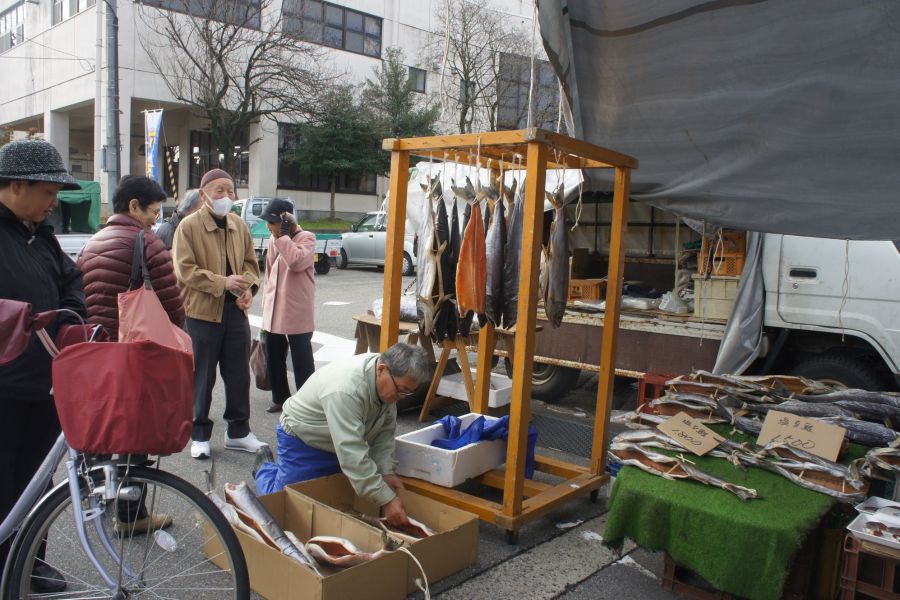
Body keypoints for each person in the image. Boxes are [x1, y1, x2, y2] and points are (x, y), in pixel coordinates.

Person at [0, 139, 86, 594]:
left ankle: (31, 561)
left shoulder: (44, 237)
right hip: (4, 384)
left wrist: (69, 316)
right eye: (49, 191)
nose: (55, 201)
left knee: (37, 479)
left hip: (46, 380)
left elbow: (74, 281)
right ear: (16, 185)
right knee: (3, 478)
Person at [77, 175, 185, 536]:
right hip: (135, 354)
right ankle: (131, 515)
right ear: (134, 206)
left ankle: (101, 500)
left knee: (105, 428)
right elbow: (172, 304)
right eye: (153, 211)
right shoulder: (145, 241)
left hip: (97, 351)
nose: (156, 218)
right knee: (136, 435)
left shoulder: (91, 243)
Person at [254, 343, 431, 527]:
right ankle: (264, 469)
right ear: (381, 369)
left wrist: (385, 471)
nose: (402, 397)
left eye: (408, 392)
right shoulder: (347, 389)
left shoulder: (388, 379)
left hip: (338, 440)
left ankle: (276, 470)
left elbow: (384, 435)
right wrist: (387, 500)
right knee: (285, 505)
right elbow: (352, 455)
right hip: (303, 437)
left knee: (332, 502)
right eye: (401, 390)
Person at [172, 168, 266, 460]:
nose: (227, 196)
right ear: (204, 195)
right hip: (200, 313)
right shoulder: (188, 227)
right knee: (201, 377)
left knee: (239, 374)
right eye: (219, 191)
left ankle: (238, 432)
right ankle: (199, 434)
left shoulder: (239, 225)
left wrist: (249, 288)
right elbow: (185, 270)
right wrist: (221, 282)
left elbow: (252, 265)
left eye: (230, 191)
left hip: (235, 312)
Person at [78, 175, 185, 339]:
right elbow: (172, 308)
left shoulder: (88, 246)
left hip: (97, 344)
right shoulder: (149, 244)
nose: (155, 222)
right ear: (134, 206)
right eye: (155, 212)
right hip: (136, 348)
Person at [258, 198, 317, 413]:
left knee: (302, 357)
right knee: (274, 354)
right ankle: (280, 397)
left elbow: (296, 261)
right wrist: (265, 304)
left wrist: (283, 237)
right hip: (274, 307)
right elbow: (269, 273)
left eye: (272, 222)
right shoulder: (274, 240)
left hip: (297, 309)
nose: (269, 226)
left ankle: (307, 401)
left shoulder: (307, 238)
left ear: (285, 221)